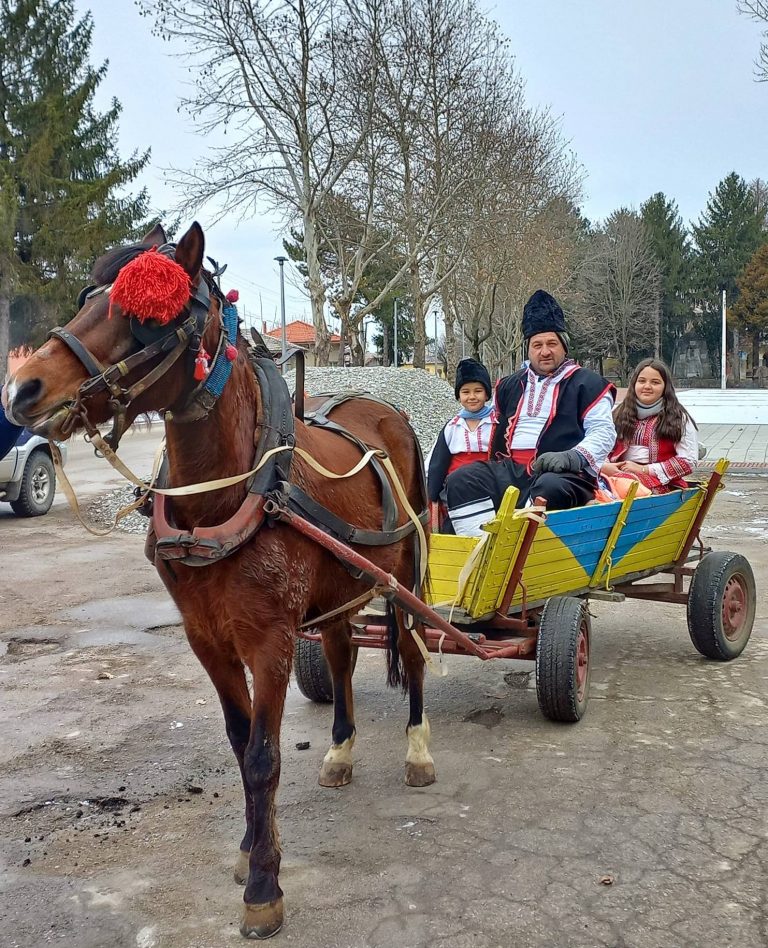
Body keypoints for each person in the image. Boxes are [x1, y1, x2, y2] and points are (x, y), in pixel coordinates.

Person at [445, 290, 617, 536]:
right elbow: (495, 430)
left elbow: (603, 432)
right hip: (512, 470)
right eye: (537, 345)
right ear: (528, 349)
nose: (544, 351)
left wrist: (572, 457)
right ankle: (480, 548)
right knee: (461, 479)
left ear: (564, 346)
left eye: (552, 344)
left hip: (565, 474)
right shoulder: (509, 385)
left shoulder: (587, 384)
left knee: (549, 488)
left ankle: (519, 553)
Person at [601, 358, 698, 494]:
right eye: (642, 381)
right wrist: (605, 466)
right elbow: (602, 447)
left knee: (623, 484)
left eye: (655, 382)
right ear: (634, 384)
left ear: (666, 387)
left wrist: (644, 469)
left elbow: (688, 461)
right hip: (616, 473)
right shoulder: (617, 414)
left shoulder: (679, 418)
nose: (647, 386)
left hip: (660, 482)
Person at [426, 359, 494, 527]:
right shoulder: (452, 427)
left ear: (486, 394)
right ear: (458, 396)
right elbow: (436, 462)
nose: (472, 397)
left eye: (478, 391)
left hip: (487, 486)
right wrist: (431, 492)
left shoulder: (497, 424)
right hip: (454, 491)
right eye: (465, 392)